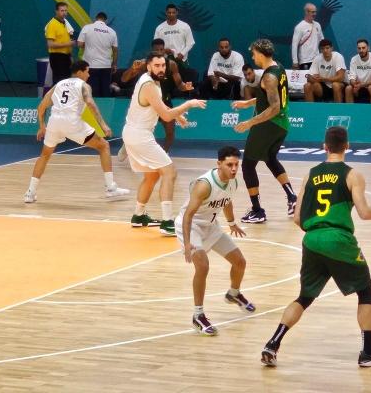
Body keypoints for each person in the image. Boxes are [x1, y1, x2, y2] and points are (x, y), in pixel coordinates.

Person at [261, 126, 371, 368]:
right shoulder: (352, 175)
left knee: (304, 297)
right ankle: (368, 352)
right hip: (338, 239)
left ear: (325, 147)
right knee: (365, 291)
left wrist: (318, 234)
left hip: (311, 239)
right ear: (347, 146)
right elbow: (364, 212)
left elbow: (298, 218)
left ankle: (273, 343)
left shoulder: (310, 174)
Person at [122, 52, 206, 236]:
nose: (161, 69)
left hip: (135, 133)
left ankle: (138, 215)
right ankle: (168, 222)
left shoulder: (152, 81)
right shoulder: (148, 85)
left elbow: (160, 107)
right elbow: (166, 116)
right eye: (157, 66)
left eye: (163, 65)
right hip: (139, 135)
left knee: (151, 176)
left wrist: (179, 116)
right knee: (169, 172)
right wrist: (188, 104)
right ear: (148, 66)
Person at [175, 146, 256, 336]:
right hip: (191, 225)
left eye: (236, 164)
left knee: (240, 262)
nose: (234, 168)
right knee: (202, 266)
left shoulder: (233, 182)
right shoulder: (204, 184)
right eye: (230, 165)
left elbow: (226, 201)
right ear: (219, 164)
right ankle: (198, 315)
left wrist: (232, 223)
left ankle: (233, 294)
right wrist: (187, 243)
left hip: (211, 226)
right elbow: (188, 215)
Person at [24, 60, 129, 203]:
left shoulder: (58, 85)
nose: (89, 74)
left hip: (54, 121)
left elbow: (41, 107)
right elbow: (90, 104)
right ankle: (111, 188)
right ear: (80, 72)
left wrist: (42, 126)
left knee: (44, 155)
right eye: (87, 71)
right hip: (72, 121)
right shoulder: (83, 85)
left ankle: (30, 193)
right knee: (104, 146)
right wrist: (103, 125)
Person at [231, 39, 297, 224]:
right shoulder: (279, 68)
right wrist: (249, 102)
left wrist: (250, 122)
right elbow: (269, 96)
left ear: (260, 53)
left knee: (247, 166)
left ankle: (257, 210)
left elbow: (274, 107)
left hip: (269, 124)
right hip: (282, 124)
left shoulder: (268, 77)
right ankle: (292, 198)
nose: (253, 57)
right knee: (270, 158)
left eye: (254, 54)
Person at [117, 38, 194, 153]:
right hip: (147, 103)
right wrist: (132, 69)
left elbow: (179, 84)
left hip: (165, 101)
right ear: (152, 51)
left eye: (161, 49)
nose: (159, 52)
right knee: (139, 130)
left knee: (170, 131)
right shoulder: (144, 64)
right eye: (156, 50)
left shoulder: (171, 65)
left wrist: (186, 87)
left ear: (164, 50)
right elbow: (124, 79)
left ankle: (164, 153)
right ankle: (128, 145)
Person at [77, 12, 118, 97]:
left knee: (92, 92)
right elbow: (115, 50)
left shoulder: (87, 28)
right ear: (105, 20)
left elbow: (80, 44)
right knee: (105, 92)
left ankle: (93, 110)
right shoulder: (112, 32)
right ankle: (106, 110)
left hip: (90, 66)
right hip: (106, 66)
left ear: (95, 19)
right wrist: (114, 64)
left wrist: (89, 44)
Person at [153, 3, 195, 70]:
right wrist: (164, 50)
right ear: (166, 13)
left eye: (173, 12)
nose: (171, 14)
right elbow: (156, 45)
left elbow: (190, 43)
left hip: (181, 60)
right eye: (169, 13)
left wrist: (182, 54)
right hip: (165, 60)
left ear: (177, 13)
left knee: (182, 79)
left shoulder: (185, 26)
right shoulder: (159, 28)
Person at [45, 2, 77, 85]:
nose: (64, 13)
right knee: (59, 81)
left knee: (66, 81)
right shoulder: (52, 24)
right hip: (57, 57)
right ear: (56, 11)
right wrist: (68, 44)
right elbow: (50, 44)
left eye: (66, 11)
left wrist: (70, 56)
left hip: (66, 56)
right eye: (62, 11)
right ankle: (55, 97)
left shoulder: (65, 23)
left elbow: (65, 41)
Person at [345, 39, 371, 103]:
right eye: (359, 48)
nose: (361, 50)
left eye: (363, 48)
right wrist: (355, 84)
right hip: (358, 86)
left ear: (368, 48)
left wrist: (362, 85)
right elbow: (352, 78)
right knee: (348, 88)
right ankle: (349, 112)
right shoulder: (354, 59)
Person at [291, 3, 324, 70]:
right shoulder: (299, 27)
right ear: (306, 12)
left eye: (315, 12)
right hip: (305, 61)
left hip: (317, 60)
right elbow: (294, 45)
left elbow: (322, 41)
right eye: (312, 12)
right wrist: (295, 62)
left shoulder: (317, 25)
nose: (315, 14)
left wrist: (323, 56)